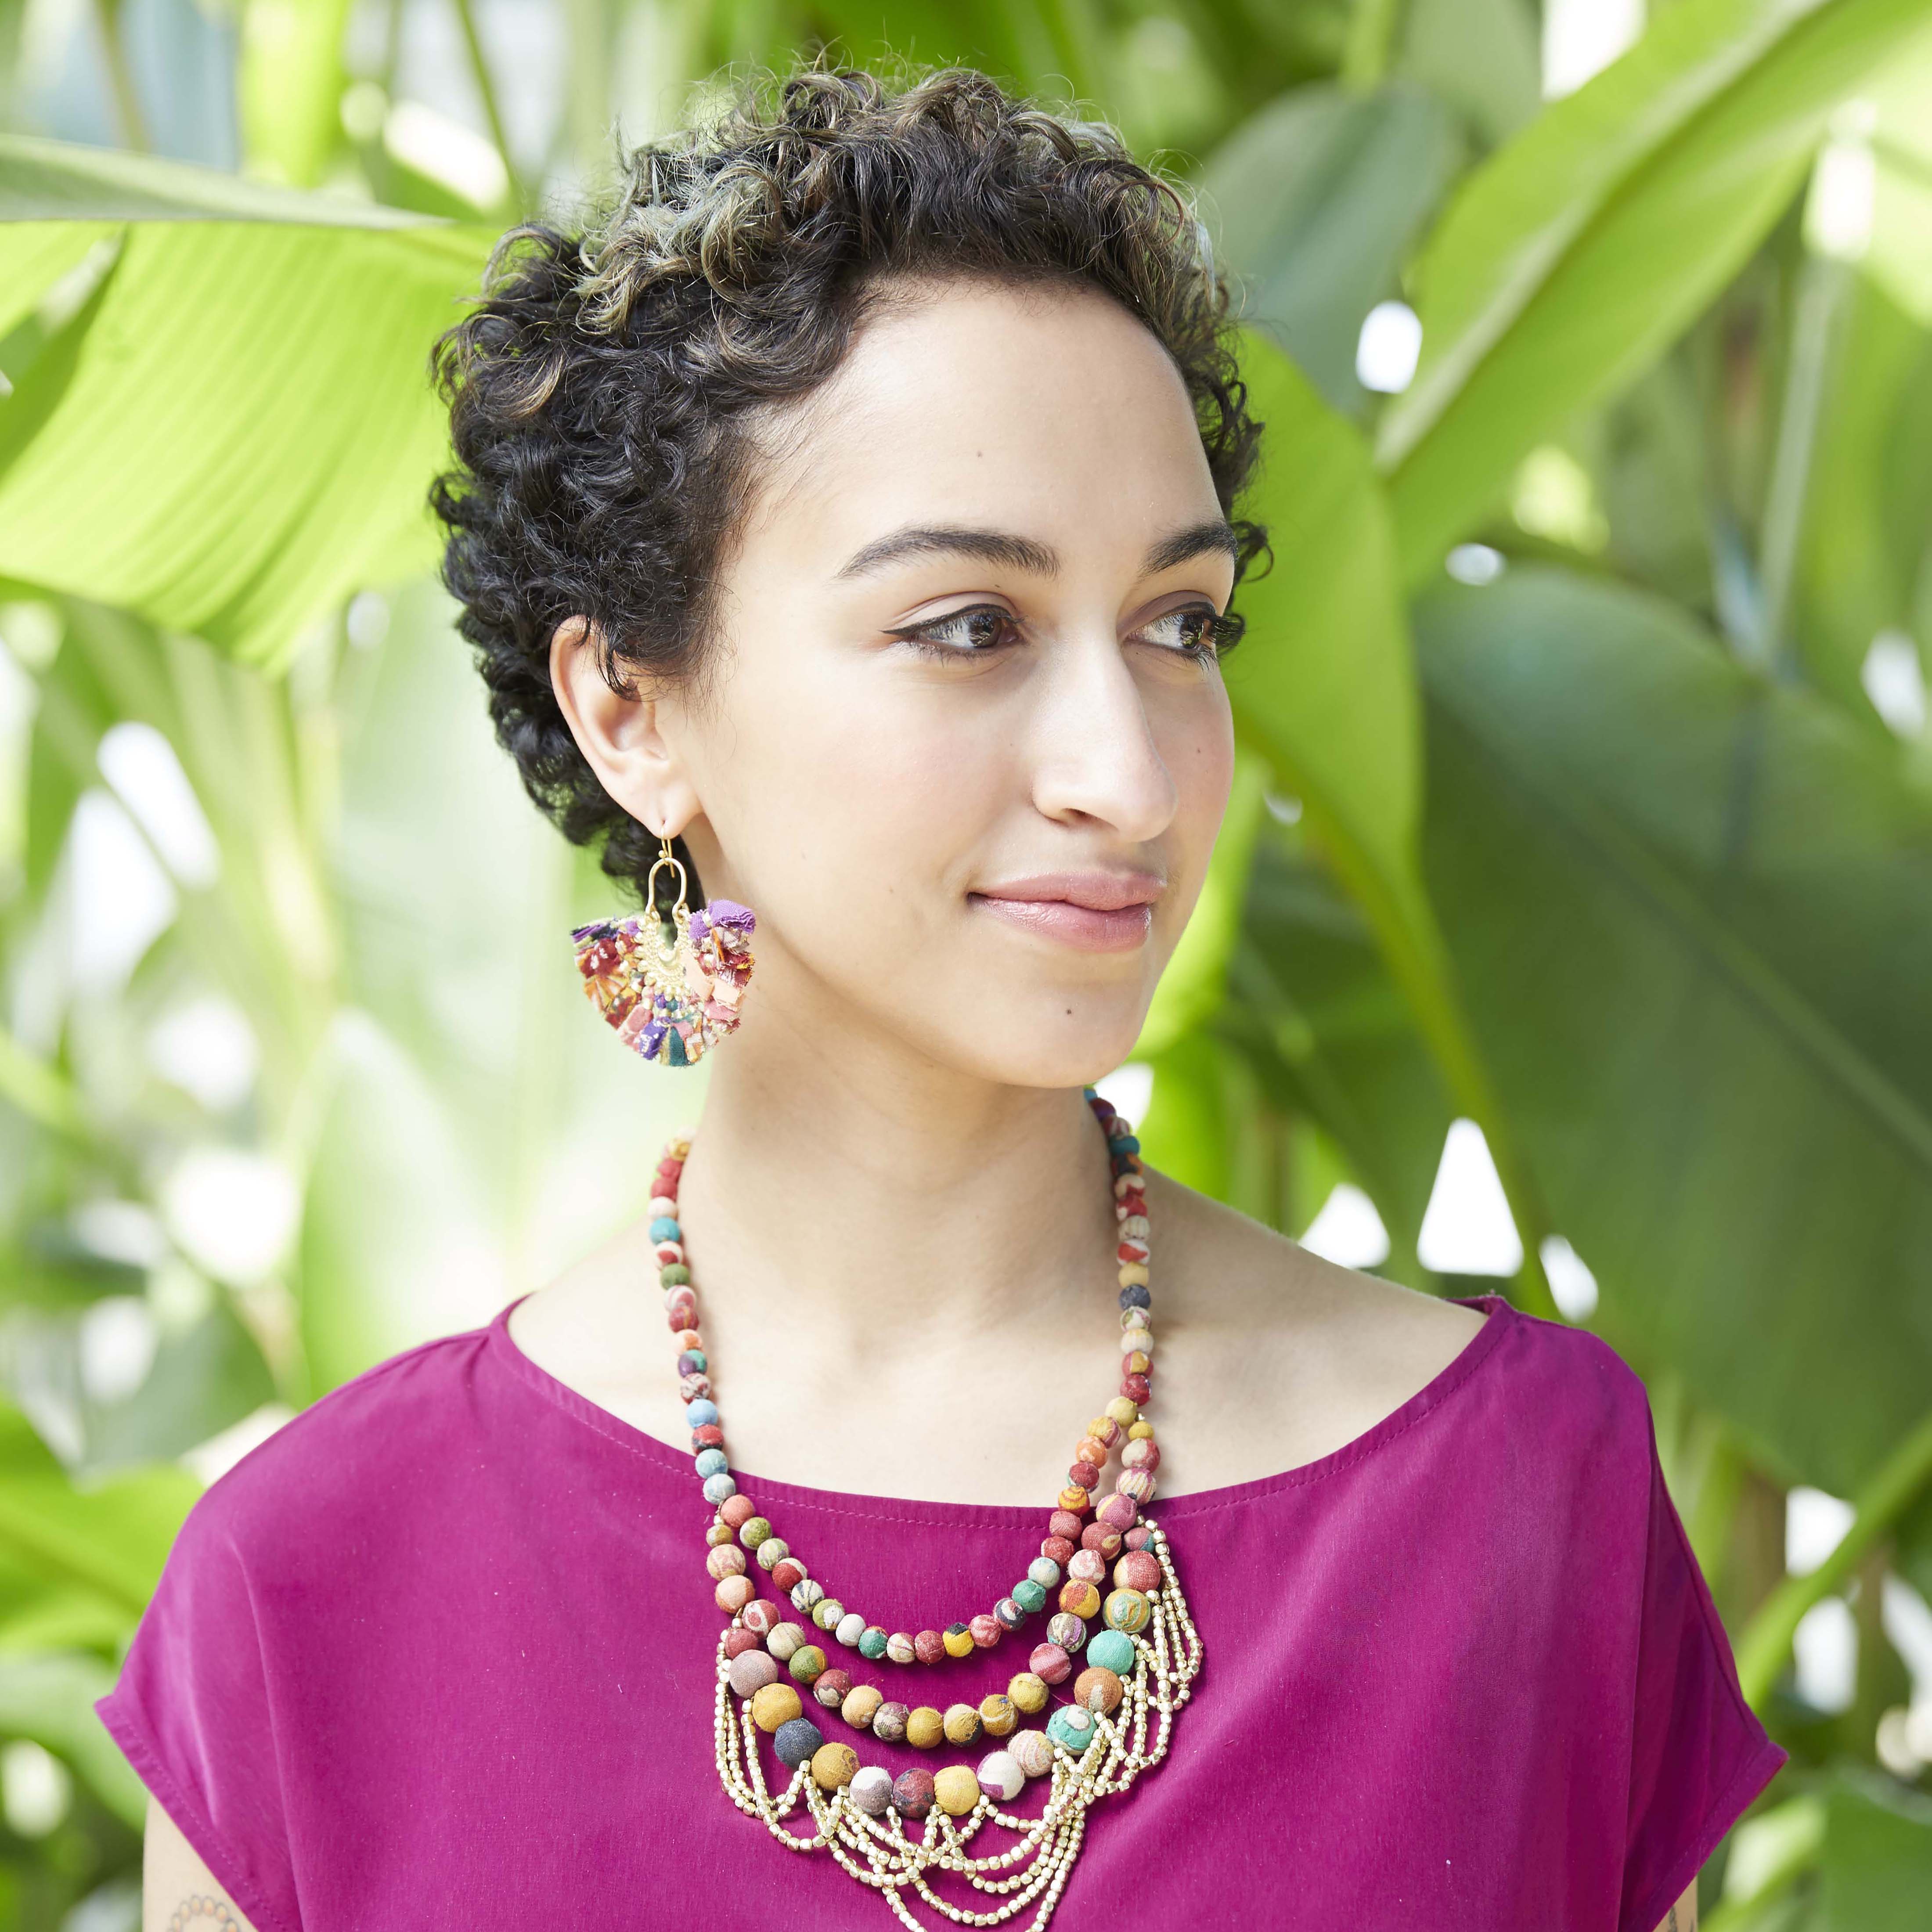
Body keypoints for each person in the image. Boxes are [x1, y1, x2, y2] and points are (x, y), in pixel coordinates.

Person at [100, 64, 1783, 1932]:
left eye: (1179, 624)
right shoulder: (319, 1595)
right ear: (631, 709)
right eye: (968, 625)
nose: (1126, 776)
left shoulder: (1514, 1503)